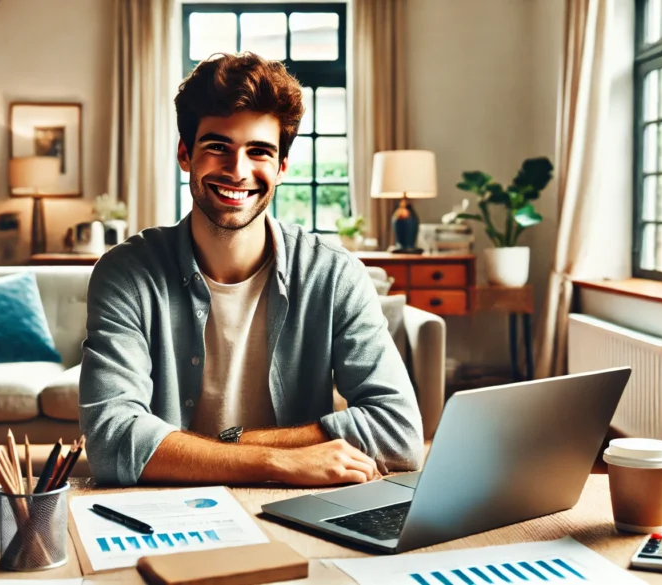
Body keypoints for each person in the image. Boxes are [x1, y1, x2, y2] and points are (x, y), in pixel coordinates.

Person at [80, 52, 423, 487]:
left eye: (258, 151)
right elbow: (111, 441)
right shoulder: (125, 273)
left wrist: (230, 444)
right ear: (186, 154)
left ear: (281, 168)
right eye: (217, 146)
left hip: (300, 505)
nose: (237, 171)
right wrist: (276, 461)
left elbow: (399, 432)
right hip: (167, 504)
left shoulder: (335, 275)